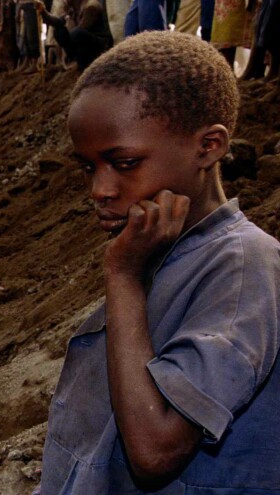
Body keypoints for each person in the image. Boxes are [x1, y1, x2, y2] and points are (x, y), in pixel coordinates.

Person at [40, 31, 280, 494]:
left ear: (208, 146)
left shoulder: (245, 267)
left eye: (124, 163)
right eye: (88, 167)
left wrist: (124, 277)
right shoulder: (161, 249)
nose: (100, 190)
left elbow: (156, 452)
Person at [38, 0, 113, 70]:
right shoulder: (74, 8)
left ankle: (83, 61)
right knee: (58, 31)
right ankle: (77, 60)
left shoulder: (91, 6)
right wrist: (43, 12)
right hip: (84, 42)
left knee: (76, 33)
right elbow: (58, 22)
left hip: (98, 47)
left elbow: (81, 29)